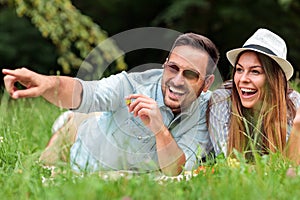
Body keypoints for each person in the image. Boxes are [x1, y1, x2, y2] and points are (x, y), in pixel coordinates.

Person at [2, 33, 219, 176]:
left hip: (129, 161)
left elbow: (175, 170)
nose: (177, 80)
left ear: (207, 83)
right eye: (173, 68)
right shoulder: (132, 85)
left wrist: (159, 129)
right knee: (40, 169)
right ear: (164, 66)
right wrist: (47, 83)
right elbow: (87, 92)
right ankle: (71, 124)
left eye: (190, 74)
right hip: (83, 153)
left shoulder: (206, 111)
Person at [208, 28, 300, 164]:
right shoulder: (222, 100)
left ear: (274, 79)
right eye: (239, 69)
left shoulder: (293, 104)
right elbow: (230, 164)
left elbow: (290, 170)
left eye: (255, 72)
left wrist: (297, 128)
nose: (243, 79)